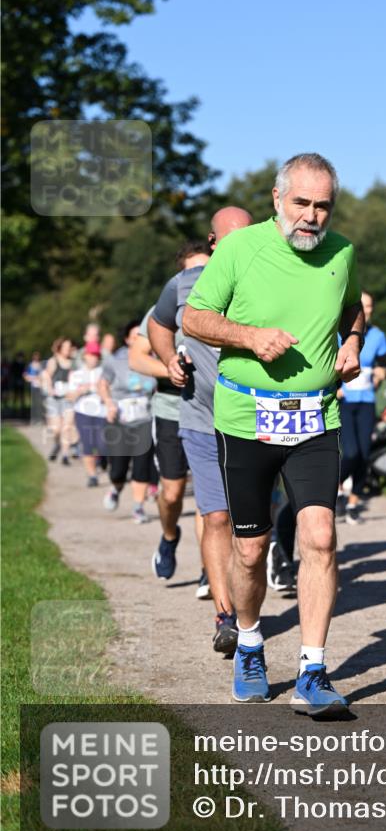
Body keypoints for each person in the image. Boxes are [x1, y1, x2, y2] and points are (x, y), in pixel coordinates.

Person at [183, 153, 363, 716]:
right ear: (277, 199)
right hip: (246, 418)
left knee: (320, 538)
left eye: (322, 206)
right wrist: (249, 337)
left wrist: (353, 341)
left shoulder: (342, 252)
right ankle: (252, 642)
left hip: (314, 417)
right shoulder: (241, 248)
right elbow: (195, 317)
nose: (311, 216)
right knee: (251, 548)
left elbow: (354, 307)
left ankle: (313, 669)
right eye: (301, 203)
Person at [149, 208, 253, 653]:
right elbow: (157, 324)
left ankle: (251, 603)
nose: (238, 248)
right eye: (229, 241)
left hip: (255, 421)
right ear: (213, 243)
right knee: (215, 516)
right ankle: (226, 616)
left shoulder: (272, 278)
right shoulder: (184, 285)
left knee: (253, 531)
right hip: (199, 419)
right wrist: (168, 358)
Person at [129, 241, 211, 591]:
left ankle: (212, 569)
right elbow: (136, 357)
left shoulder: (225, 303)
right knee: (173, 494)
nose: (198, 276)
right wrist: (169, 368)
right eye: (191, 270)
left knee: (210, 498)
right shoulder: (163, 308)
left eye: (205, 268)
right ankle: (169, 535)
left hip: (210, 410)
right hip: (171, 410)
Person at [337, 290, 386, 524]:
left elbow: (385, 365)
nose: (365, 310)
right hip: (345, 401)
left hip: (367, 401)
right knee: (351, 452)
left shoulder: (378, 336)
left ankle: (353, 502)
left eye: (368, 306)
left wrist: (380, 374)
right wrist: (335, 386)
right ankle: (333, 486)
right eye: (362, 306)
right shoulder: (341, 334)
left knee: (365, 454)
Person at [98, 320, 157, 523]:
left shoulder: (155, 357)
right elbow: (103, 383)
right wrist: (108, 403)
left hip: (145, 418)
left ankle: (138, 507)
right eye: (134, 337)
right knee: (118, 469)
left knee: (142, 465)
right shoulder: (116, 359)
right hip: (120, 419)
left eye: (141, 336)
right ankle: (115, 487)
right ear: (126, 339)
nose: (138, 340)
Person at [67, 341, 106, 486]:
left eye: (96, 355)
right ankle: (92, 476)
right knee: (88, 444)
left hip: (102, 412)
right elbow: (70, 396)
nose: (93, 358)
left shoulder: (104, 372)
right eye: (91, 355)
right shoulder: (76, 374)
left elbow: (111, 392)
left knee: (102, 444)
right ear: (85, 356)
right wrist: (80, 390)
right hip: (82, 412)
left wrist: (100, 390)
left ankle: (102, 458)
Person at [42, 338, 75, 464]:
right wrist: (50, 389)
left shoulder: (73, 363)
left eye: (69, 347)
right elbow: (46, 376)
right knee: (57, 429)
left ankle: (65, 455)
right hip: (54, 399)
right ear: (60, 348)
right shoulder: (53, 361)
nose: (68, 349)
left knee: (67, 427)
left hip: (68, 399)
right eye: (65, 347)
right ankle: (57, 444)